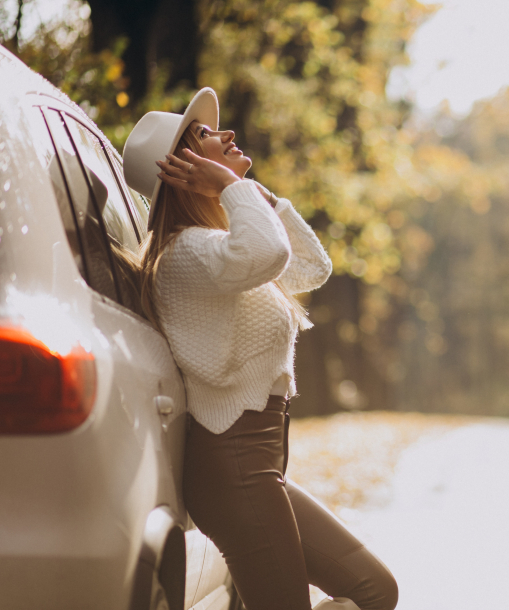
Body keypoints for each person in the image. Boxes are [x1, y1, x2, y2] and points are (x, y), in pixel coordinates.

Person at [123, 88, 398, 610]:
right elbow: (270, 252)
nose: (226, 134)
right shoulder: (184, 255)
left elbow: (310, 268)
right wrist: (231, 186)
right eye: (204, 135)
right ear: (180, 170)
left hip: (258, 465)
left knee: (374, 589)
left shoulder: (221, 250)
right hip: (233, 469)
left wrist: (251, 193)